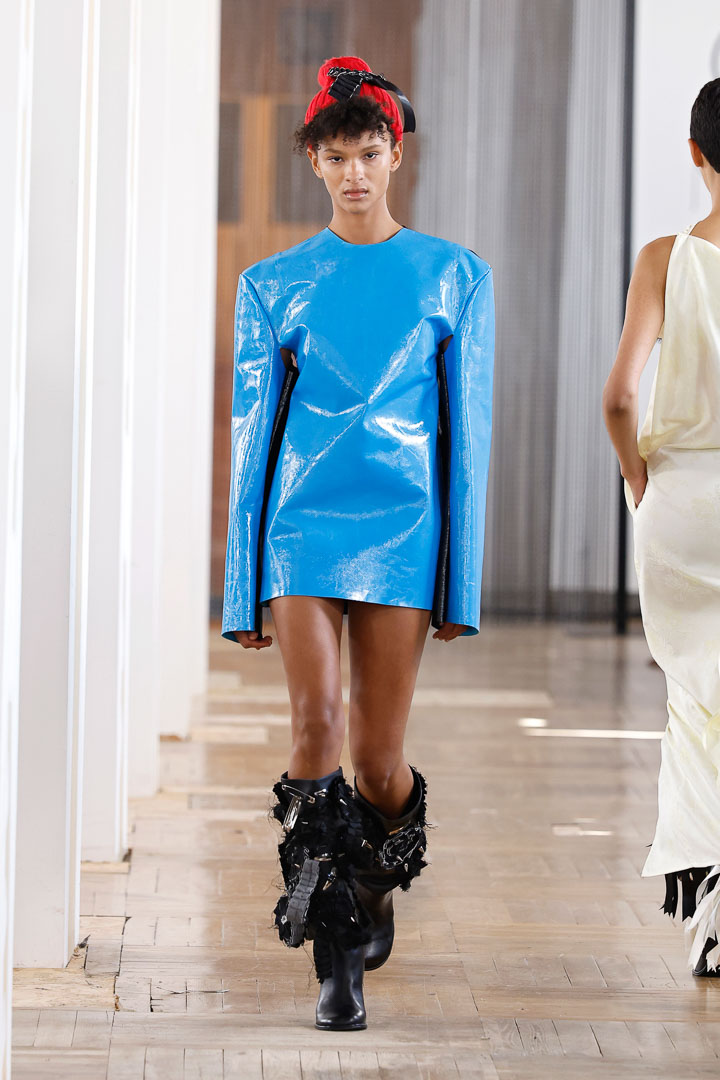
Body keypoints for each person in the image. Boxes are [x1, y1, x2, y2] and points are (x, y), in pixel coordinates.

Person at [222, 55, 495, 1029]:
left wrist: (461, 584)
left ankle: (373, 887)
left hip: (404, 534)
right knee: (316, 728)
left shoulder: (455, 275)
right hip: (301, 529)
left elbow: (468, 439)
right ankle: (335, 954)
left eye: (369, 153)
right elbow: (251, 439)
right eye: (335, 157)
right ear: (314, 162)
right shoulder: (272, 284)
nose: (353, 173)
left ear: (396, 155)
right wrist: (241, 586)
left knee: (379, 766)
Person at [603, 78, 720, 977]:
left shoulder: (664, 259)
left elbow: (618, 396)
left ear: (695, 153)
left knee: (695, 700)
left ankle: (712, 910)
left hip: (680, 502)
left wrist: (638, 477)